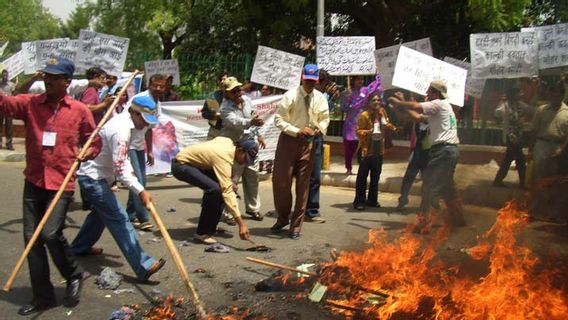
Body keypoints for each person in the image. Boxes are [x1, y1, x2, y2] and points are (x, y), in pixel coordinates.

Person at [0, 57, 101, 315]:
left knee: (50, 234)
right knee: (31, 239)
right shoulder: (30, 104)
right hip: (34, 179)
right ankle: (42, 296)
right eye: (46, 76)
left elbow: (94, 140)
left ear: (66, 82)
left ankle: (73, 274)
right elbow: (6, 104)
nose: (48, 81)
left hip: (61, 182)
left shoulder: (79, 110)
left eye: (54, 77)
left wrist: (85, 152)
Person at [70, 95, 166, 281]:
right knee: (119, 218)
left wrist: (136, 183)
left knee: (100, 215)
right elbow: (120, 168)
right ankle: (143, 265)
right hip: (93, 178)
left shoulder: (127, 126)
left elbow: (123, 160)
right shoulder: (120, 131)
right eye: (144, 121)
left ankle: (79, 247)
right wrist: (140, 190)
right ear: (135, 113)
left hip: (98, 176)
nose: (146, 126)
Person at [389, 80, 465, 232]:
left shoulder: (439, 103)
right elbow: (416, 117)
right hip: (447, 151)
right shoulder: (441, 109)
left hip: (443, 151)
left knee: (429, 187)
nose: (426, 94)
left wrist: (400, 101)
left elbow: (416, 107)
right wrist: (397, 107)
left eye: (429, 91)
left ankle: (424, 223)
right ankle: (458, 219)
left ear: (436, 93)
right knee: (447, 188)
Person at [270, 64, 330, 239]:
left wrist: (320, 129)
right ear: (302, 78)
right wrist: (296, 131)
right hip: (289, 140)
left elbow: (325, 119)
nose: (310, 84)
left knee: (303, 185)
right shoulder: (290, 96)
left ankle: (296, 226)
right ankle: (282, 217)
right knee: (281, 182)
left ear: (317, 81)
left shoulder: (320, 98)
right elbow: (278, 119)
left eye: (313, 81)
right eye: (308, 80)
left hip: (309, 144)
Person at [171, 137, 257, 244]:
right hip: (181, 165)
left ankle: (210, 228)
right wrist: (241, 224)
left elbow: (218, 139)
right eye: (245, 159)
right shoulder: (224, 158)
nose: (244, 162)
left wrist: (227, 181)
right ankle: (202, 233)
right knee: (214, 190)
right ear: (240, 150)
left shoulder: (228, 142)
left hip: (195, 164)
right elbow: (228, 192)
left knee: (220, 188)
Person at [219, 76, 265, 221]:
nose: (238, 93)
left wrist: (259, 135)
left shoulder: (247, 101)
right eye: (233, 91)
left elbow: (254, 117)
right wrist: (251, 122)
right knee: (232, 181)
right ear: (226, 93)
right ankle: (229, 213)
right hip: (234, 147)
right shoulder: (224, 108)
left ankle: (253, 209)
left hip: (250, 144)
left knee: (253, 177)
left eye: (238, 89)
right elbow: (235, 122)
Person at [126, 74, 166, 231]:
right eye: (155, 85)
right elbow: (128, 118)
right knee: (139, 181)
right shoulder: (139, 99)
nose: (158, 88)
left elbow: (149, 127)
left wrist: (149, 150)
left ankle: (130, 215)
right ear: (149, 85)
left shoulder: (158, 104)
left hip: (139, 145)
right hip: (129, 143)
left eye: (161, 86)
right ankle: (143, 218)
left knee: (141, 180)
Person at [305, 69, 340, 223]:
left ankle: (311, 210)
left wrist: (331, 98)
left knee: (314, 177)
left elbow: (326, 115)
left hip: (317, 139)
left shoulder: (323, 97)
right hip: (303, 137)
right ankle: (297, 209)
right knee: (303, 176)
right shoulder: (304, 95)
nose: (327, 87)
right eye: (325, 84)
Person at [353, 91, 395, 210]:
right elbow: (358, 132)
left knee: (375, 177)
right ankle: (359, 201)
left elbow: (388, 123)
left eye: (378, 100)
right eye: (374, 100)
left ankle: (372, 200)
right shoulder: (364, 115)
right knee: (362, 177)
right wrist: (369, 132)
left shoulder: (382, 112)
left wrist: (391, 127)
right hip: (366, 150)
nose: (376, 102)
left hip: (379, 149)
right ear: (369, 102)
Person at [341, 75, 383, 174]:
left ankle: (363, 167)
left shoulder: (365, 91)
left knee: (364, 145)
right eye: (358, 79)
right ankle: (349, 168)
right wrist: (346, 98)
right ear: (353, 80)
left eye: (362, 79)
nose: (361, 81)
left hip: (364, 122)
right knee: (349, 147)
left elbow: (375, 88)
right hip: (351, 123)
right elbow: (344, 108)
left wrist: (379, 75)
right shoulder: (347, 92)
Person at [529, 81, 568, 183]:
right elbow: (534, 130)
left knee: (554, 176)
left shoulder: (567, 112)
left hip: (558, 146)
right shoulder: (541, 110)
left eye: (557, 94)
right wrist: (530, 149)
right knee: (538, 172)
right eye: (552, 94)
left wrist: (562, 149)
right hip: (542, 144)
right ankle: (537, 196)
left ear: (562, 95)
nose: (554, 96)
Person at [492, 86, 530, 188]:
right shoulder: (505, 105)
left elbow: (532, 110)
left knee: (509, 159)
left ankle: (498, 180)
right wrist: (502, 101)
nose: (521, 95)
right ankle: (523, 183)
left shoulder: (520, 105)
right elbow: (497, 113)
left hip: (518, 135)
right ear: (513, 95)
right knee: (520, 159)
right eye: (519, 93)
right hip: (510, 136)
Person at [202, 72, 229, 140]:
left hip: (229, 132)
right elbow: (204, 113)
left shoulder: (236, 97)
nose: (222, 82)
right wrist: (213, 115)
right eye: (221, 80)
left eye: (225, 79)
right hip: (214, 131)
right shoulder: (212, 96)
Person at [0, 69, 16, 150]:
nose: (4, 76)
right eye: (3, 75)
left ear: (8, 75)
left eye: (6, 75)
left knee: (9, 126)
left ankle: (9, 144)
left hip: (8, 107)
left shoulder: (11, 85)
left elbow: (14, 96)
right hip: (0, 107)